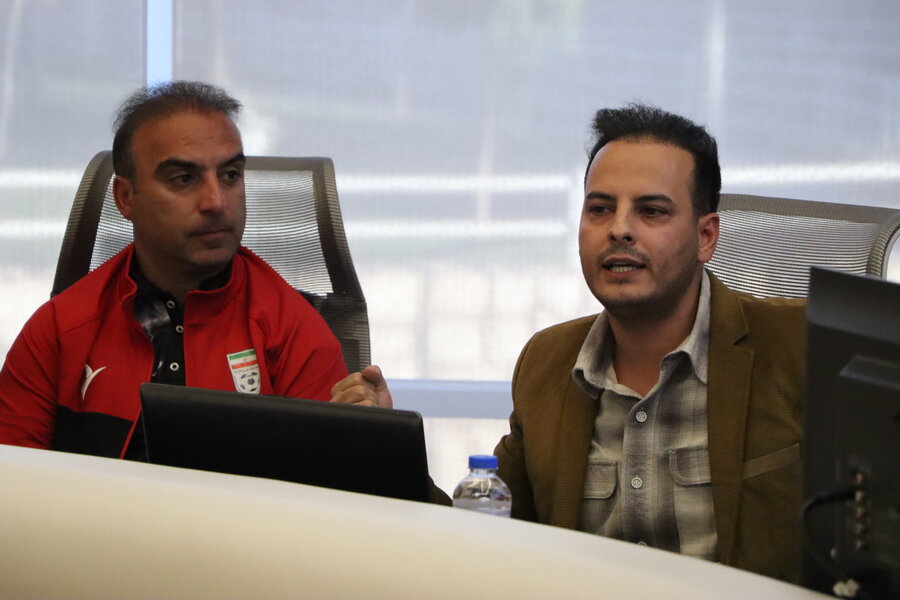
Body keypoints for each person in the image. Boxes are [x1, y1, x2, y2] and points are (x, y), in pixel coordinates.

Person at [330, 104, 806, 583]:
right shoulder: (549, 362)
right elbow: (484, 539)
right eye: (600, 209)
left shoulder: (799, 348)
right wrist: (384, 444)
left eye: (651, 211)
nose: (619, 229)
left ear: (706, 236)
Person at [0, 81, 348, 459]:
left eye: (230, 175)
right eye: (184, 179)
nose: (216, 202)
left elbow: (327, 484)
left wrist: (368, 440)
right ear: (126, 198)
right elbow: (12, 479)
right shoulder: (59, 329)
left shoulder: (297, 331)